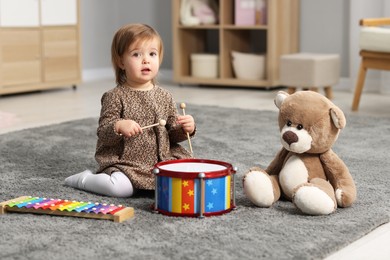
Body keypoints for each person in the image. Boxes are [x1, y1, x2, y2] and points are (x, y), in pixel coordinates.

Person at [65, 23, 195, 197]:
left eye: (152, 54)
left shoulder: (165, 96)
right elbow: (103, 132)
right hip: (127, 162)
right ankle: (84, 179)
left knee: (192, 176)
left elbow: (172, 133)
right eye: (136, 54)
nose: (146, 60)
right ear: (121, 62)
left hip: (163, 160)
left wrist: (186, 128)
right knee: (120, 189)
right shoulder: (115, 96)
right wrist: (118, 126)